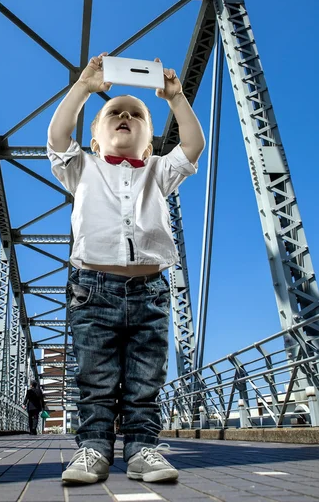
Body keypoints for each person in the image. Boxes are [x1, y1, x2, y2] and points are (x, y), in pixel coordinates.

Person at [47, 52, 205, 484]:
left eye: (136, 115)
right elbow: (59, 135)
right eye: (114, 112)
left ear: (150, 142)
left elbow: (193, 145)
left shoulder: (158, 170)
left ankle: (143, 449)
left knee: (144, 380)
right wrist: (84, 88)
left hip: (151, 289)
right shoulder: (82, 168)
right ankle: (93, 449)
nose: (124, 116)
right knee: (94, 379)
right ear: (95, 139)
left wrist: (175, 98)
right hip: (92, 288)